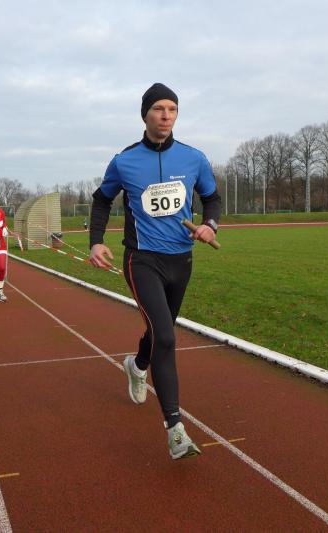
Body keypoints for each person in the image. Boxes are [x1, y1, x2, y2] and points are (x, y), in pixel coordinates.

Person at [88, 83, 221, 459]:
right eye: (159, 109)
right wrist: (96, 242)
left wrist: (210, 224)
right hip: (142, 260)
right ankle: (175, 428)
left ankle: (138, 365)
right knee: (165, 335)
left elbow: (211, 197)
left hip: (182, 260)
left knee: (159, 332)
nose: (166, 116)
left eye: (172, 109)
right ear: (145, 114)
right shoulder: (125, 161)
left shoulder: (194, 158)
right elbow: (101, 201)